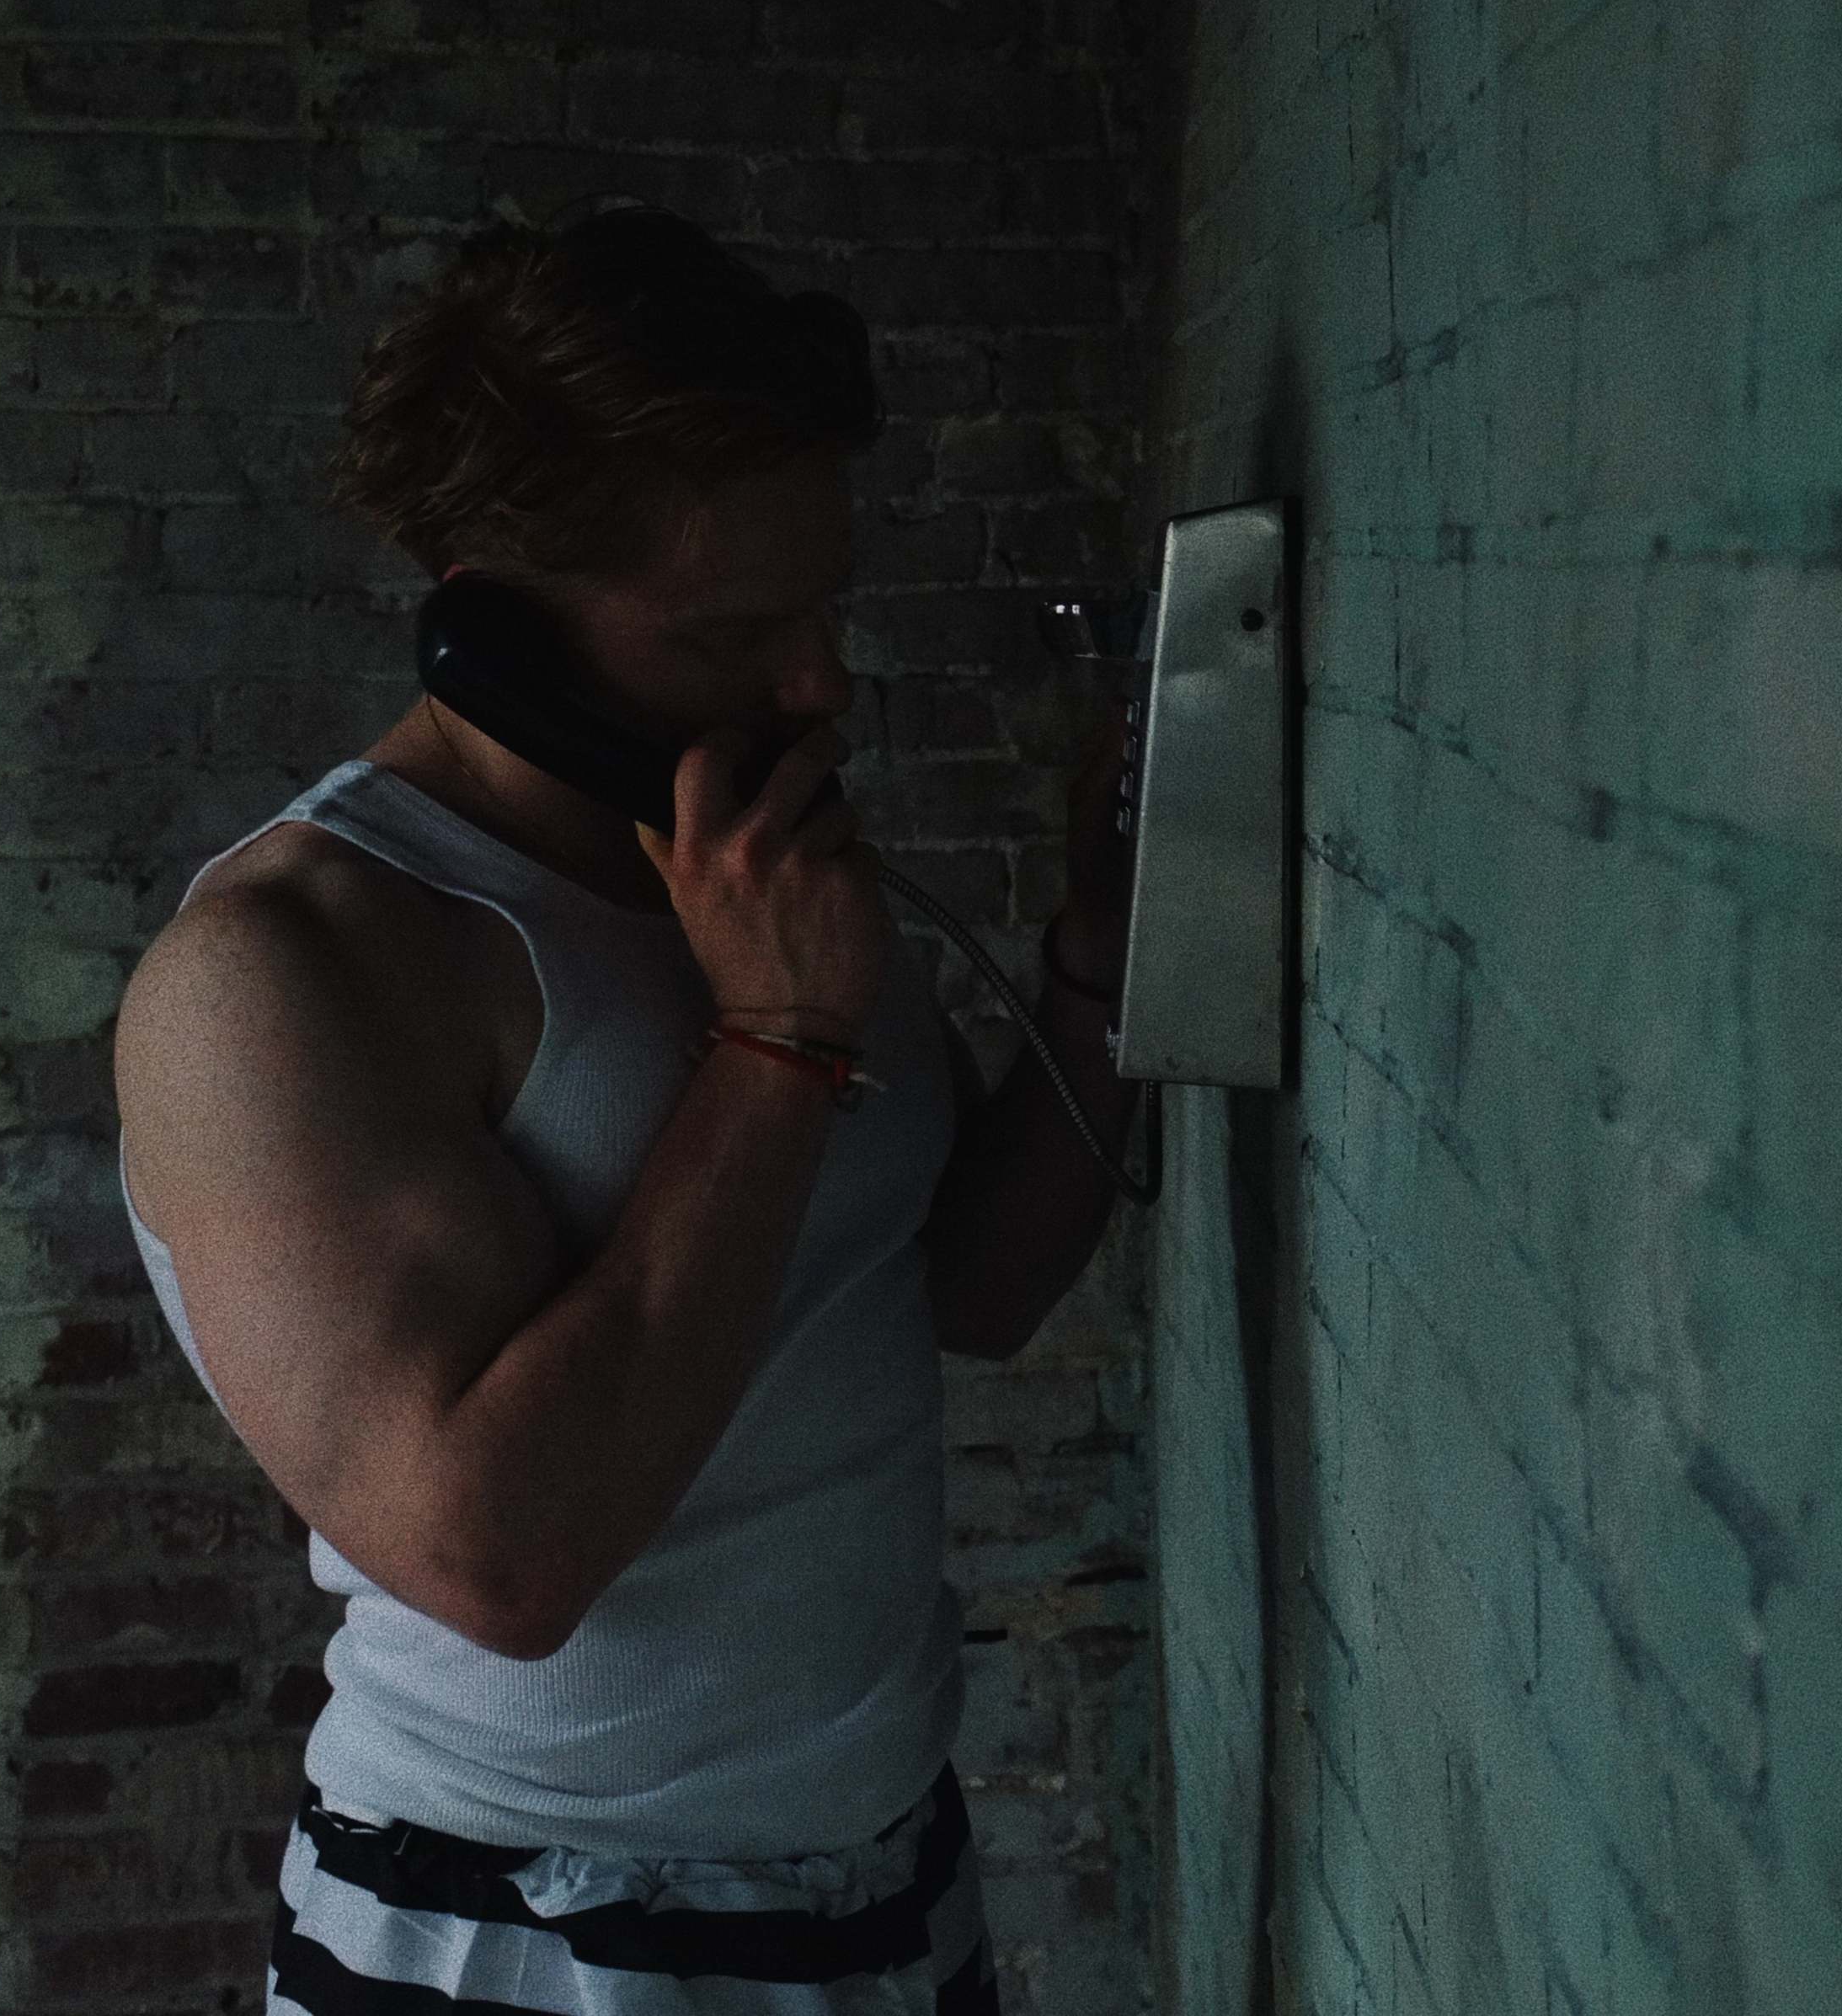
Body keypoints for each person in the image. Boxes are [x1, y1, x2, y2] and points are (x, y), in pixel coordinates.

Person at [106, 203, 1143, 2013]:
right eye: (737, 627)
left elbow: (970, 1284)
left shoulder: (753, 857)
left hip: (890, 1886)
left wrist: (1096, 982)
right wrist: (776, 1041)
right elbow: (498, 1552)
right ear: (487, 637)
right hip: (518, 1932)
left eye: (826, 601)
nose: (816, 680)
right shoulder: (285, 966)